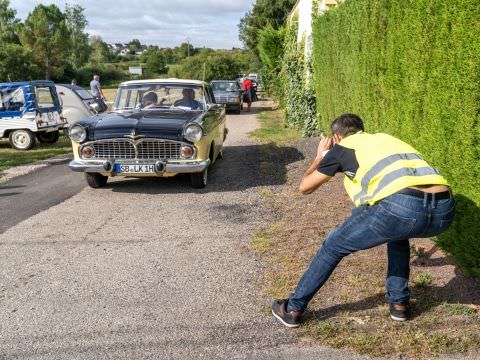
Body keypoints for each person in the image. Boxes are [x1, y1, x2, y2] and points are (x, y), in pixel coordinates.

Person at [272, 113, 455, 328]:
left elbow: (305, 187)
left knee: (333, 246)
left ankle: (293, 308)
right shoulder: (387, 139)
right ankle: (399, 305)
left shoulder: (342, 149)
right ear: (362, 129)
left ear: (337, 137)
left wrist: (320, 157)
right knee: (397, 233)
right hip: (445, 209)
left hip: (401, 207)